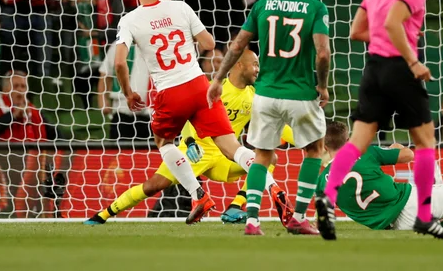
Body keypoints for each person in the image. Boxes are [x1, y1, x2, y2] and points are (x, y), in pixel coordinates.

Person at [317, 0, 443, 240]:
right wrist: (413, 62)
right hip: (399, 69)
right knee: (425, 141)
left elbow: (356, 32)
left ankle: (327, 195)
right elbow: (393, 23)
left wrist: (380, 42)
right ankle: (423, 216)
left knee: (359, 141)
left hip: (372, 69)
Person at [113, 0, 266, 224]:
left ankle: (198, 194)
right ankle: (271, 187)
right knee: (231, 145)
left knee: (165, 143)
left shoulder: (129, 20)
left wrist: (128, 93)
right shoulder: (180, 7)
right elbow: (208, 44)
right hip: (199, 85)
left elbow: (118, 63)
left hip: (169, 92)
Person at [85, 50, 294, 225]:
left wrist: (303, 140)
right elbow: (187, 116)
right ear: (239, 64)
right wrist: (190, 141)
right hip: (196, 152)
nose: (258, 69)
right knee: (153, 185)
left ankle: (234, 207)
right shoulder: (212, 89)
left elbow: (277, 125)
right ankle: (103, 215)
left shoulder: (254, 97)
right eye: (255, 64)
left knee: (269, 159)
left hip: (223, 157)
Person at [208, 0, 331, 236]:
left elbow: (237, 46)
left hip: (264, 94)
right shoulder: (316, 8)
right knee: (315, 150)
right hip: (299, 92)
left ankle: (252, 221)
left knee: (262, 156)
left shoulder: (263, 5)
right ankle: (299, 217)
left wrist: (217, 78)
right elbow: (323, 53)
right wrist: (322, 85)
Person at [316, 122, 443, 231]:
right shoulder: (366, 154)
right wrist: (395, 148)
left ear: (325, 146)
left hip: (390, 228)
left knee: (437, 221)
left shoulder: (322, 181)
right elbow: (409, 155)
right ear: (348, 140)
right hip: (408, 203)